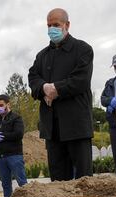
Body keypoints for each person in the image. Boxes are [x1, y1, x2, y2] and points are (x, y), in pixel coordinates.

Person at [28, 8, 94, 181]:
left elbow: (81, 80)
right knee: (58, 181)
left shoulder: (83, 49)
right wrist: (44, 88)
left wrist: (55, 89)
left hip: (76, 127)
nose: (52, 29)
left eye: (56, 25)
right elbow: (33, 78)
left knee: (84, 181)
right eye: (49, 25)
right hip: (52, 129)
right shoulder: (42, 56)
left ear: (67, 25)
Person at [0, 94, 27, 197]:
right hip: (1, 157)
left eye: (1, 105)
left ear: (8, 104)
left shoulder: (16, 118)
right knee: (5, 185)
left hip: (14, 155)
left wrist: (3, 136)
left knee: (22, 183)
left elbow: (19, 134)